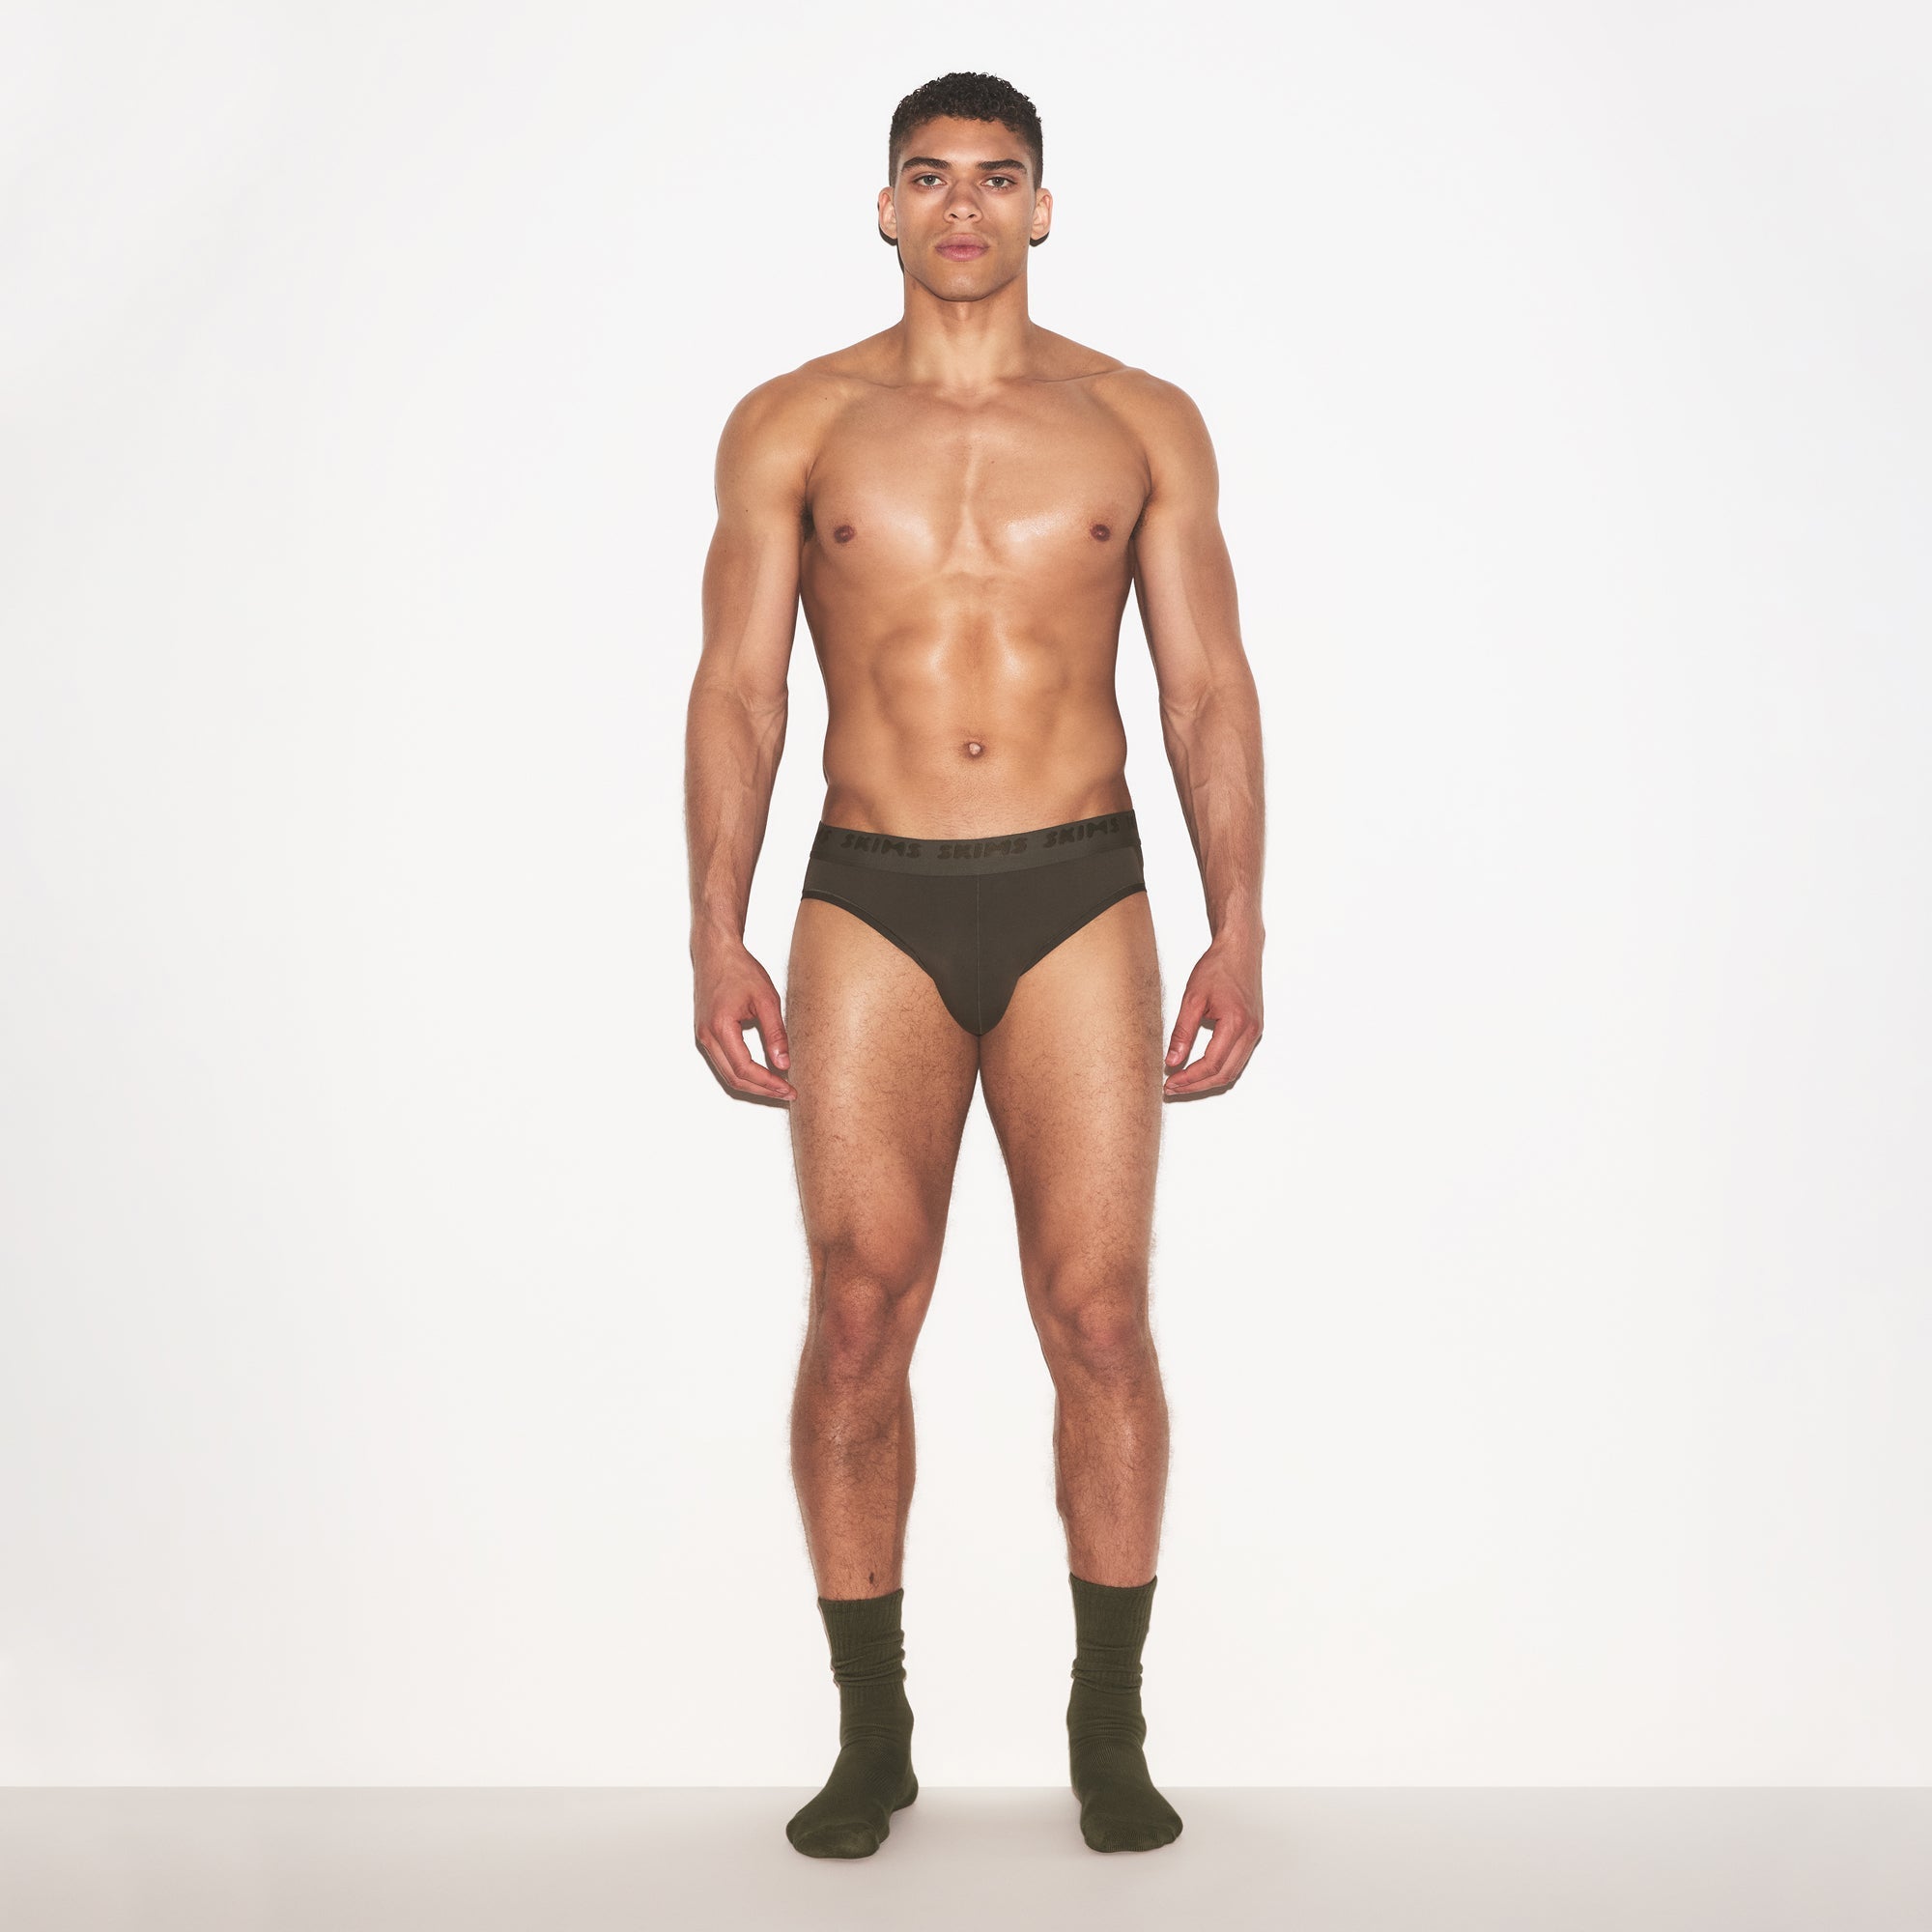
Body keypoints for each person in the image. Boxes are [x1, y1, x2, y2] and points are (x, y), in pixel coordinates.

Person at [683, 71, 1265, 1858]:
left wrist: (1240, 919)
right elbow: (742, 690)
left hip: (1080, 884)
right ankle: (874, 1738)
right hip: (870, 892)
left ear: (1041, 208)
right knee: (860, 1311)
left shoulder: (1135, 418)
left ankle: (1110, 1730)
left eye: (996, 178)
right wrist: (713, 925)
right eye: (929, 177)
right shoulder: (795, 422)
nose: (962, 207)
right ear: (885, 207)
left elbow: (1204, 688)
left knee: (1098, 1315)